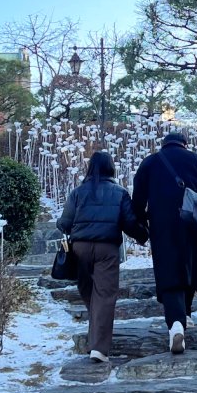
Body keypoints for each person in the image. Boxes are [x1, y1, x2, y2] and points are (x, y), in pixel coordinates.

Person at [57, 151, 147, 363]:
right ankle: (98, 347)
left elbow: (65, 223)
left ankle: (94, 338)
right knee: (104, 296)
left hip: (79, 248)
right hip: (107, 249)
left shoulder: (77, 192)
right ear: (111, 168)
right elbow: (129, 223)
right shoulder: (119, 192)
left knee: (89, 294)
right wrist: (144, 235)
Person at [132, 132, 197, 355]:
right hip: (191, 220)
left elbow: (138, 197)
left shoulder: (151, 162)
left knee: (168, 268)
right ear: (185, 144)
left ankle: (176, 322)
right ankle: (186, 312)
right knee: (191, 262)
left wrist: (141, 222)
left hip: (162, 224)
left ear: (163, 144)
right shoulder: (195, 159)